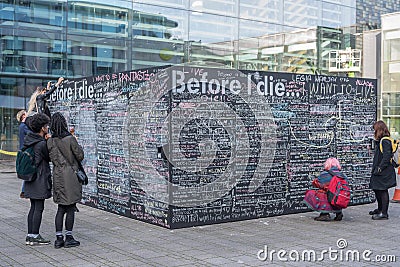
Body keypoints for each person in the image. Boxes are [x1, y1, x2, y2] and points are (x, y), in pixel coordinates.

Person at [47, 112, 84, 248]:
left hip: (57, 175)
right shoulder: (69, 139)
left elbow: (50, 158)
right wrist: (75, 139)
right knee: (70, 207)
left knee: (60, 207)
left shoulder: (50, 141)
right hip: (70, 175)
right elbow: (79, 156)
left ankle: (58, 239)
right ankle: (69, 237)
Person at [23, 113, 52, 245]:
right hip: (39, 179)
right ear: (42, 128)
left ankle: (30, 235)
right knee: (39, 208)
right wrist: (48, 141)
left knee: (33, 207)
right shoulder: (40, 144)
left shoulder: (29, 139)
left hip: (30, 178)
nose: (47, 127)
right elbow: (49, 157)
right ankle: (35, 235)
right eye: (46, 125)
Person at [304, 157, 348, 221]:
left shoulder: (325, 174)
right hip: (340, 198)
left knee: (317, 193)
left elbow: (317, 183)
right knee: (335, 193)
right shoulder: (342, 175)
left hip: (329, 197)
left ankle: (324, 213)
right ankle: (338, 212)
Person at [369, 120, 397, 220]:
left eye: (375, 130)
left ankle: (384, 213)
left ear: (379, 130)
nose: (374, 133)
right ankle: (380, 209)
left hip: (384, 171)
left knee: (383, 190)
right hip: (381, 170)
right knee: (377, 189)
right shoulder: (382, 141)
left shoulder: (385, 141)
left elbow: (386, 156)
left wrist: (380, 168)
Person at [16, 110, 31, 198]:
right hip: (26, 150)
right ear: (23, 116)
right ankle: (24, 191)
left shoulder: (21, 126)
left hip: (23, 150)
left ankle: (24, 191)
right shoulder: (24, 127)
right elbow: (31, 134)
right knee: (28, 171)